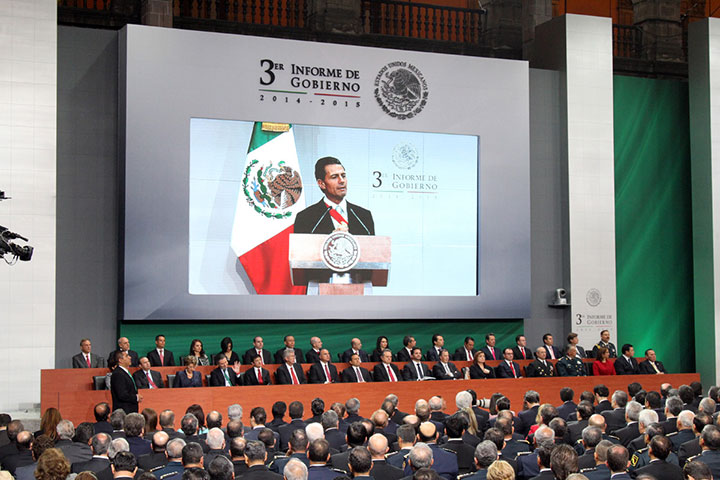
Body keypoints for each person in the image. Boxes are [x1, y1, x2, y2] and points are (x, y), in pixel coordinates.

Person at [293, 156, 374, 236]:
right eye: (334, 177)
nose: (342, 181)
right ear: (321, 183)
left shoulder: (363, 216)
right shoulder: (305, 218)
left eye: (343, 176)